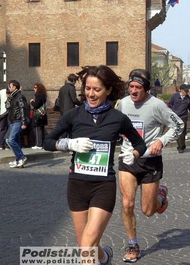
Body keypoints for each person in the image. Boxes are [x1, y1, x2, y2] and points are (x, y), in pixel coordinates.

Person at [44, 65, 146, 265]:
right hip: (77, 186)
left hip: (103, 186)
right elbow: (48, 142)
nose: (91, 94)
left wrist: (132, 154)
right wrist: (69, 144)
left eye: (97, 89)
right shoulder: (74, 115)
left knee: (88, 244)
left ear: (108, 90)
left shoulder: (118, 119)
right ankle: (105, 257)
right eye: (88, 88)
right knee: (86, 246)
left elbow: (140, 144)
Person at [116, 68, 184, 263]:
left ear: (145, 89)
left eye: (138, 87)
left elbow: (178, 125)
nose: (134, 91)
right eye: (131, 87)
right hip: (128, 158)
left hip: (150, 160)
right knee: (127, 203)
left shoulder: (157, 105)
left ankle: (160, 196)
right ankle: (133, 244)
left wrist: (161, 141)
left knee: (148, 210)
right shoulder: (122, 104)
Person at [0, 80, 29, 168]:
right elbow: (8, 111)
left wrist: (24, 122)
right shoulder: (12, 97)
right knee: (13, 140)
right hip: (13, 121)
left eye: (10, 86)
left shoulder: (20, 97)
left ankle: (21, 157)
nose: (9, 88)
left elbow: (23, 109)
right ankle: (18, 160)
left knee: (10, 140)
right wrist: (0, 118)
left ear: (14, 87)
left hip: (18, 121)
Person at [168, 84, 190, 153]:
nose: (187, 92)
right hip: (176, 117)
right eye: (185, 91)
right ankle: (180, 147)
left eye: (187, 91)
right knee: (179, 132)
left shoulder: (187, 98)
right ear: (181, 90)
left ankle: (182, 145)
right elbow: (169, 104)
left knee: (183, 132)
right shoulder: (175, 96)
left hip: (184, 116)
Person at [30, 83, 48, 149]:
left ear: (38, 88)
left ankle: (38, 144)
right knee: (41, 129)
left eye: (35, 87)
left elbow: (36, 105)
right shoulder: (43, 96)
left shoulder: (38, 95)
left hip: (38, 114)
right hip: (42, 114)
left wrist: (32, 102)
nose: (34, 89)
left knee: (37, 129)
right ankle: (41, 143)